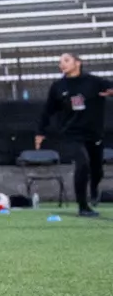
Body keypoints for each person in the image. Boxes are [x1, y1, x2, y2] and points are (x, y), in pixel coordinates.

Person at [34, 52, 113, 218]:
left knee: (97, 170)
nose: (62, 64)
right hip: (71, 134)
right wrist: (40, 132)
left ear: (78, 63)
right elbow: (47, 111)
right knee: (82, 164)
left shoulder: (94, 82)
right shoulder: (58, 86)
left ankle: (93, 188)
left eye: (66, 60)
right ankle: (83, 207)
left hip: (94, 133)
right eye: (60, 61)